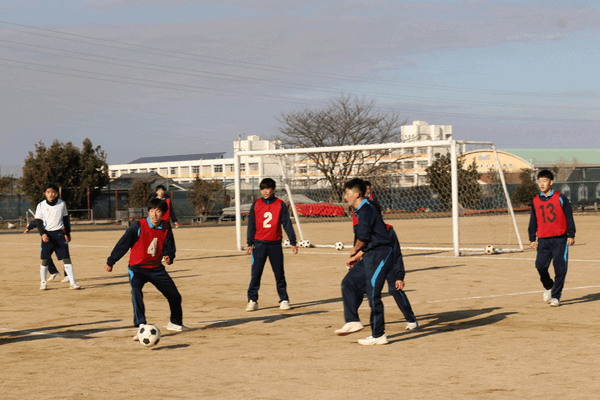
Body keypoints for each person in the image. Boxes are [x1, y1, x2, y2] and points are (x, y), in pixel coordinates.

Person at [104, 198, 185, 339]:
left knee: (175, 296)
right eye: (152, 211)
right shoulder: (138, 226)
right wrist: (111, 261)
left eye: (158, 211)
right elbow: (123, 244)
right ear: (148, 212)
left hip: (156, 269)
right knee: (136, 291)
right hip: (137, 268)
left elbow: (169, 247)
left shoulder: (166, 227)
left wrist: (168, 256)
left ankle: (175, 322)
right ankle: (140, 325)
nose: (154, 215)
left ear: (163, 213)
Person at [336, 224, 418, 336]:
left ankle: (411, 319)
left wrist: (399, 276)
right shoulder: (361, 229)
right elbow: (362, 249)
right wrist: (355, 259)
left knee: (394, 289)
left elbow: (396, 253)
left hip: (388, 263)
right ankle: (352, 321)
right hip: (372, 263)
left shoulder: (387, 230)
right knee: (357, 286)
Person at [344, 178, 396, 345]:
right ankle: (352, 320)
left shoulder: (367, 209)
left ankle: (378, 335)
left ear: (356, 194)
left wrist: (355, 249)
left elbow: (364, 237)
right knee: (349, 281)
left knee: (373, 293)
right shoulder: (361, 210)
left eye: (347, 193)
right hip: (370, 253)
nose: (345, 197)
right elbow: (371, 238)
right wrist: (359, 255)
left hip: (382, 254)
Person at [246, 178, 298, 311]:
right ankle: (252, 300)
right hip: (259, 245)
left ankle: (284, 300)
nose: (265, 191)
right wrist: (249, 243)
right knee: (256, 274)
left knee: (279, 274)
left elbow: (287, 224)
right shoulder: (256, 204)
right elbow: (251, 224)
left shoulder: (280, 205)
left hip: (275, 245)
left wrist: (293, 242)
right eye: (262, 189)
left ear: (273, 189)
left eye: (268, 189)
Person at [528, 169, 576, 307]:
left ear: (551, 182)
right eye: (540, 181)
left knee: (560, 269)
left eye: (545, 181)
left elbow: (569, 217)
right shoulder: (535, 200)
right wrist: (532, 238)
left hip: (559, 239)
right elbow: (533, 220)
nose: (542, 184)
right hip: (543, 239)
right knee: (540, 266)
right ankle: (549, 286)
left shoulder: (561, 197)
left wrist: (571, 234)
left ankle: (556, 296)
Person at [34, 183, 81, 290]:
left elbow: (66, 219)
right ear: (44, 193)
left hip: (59, 234)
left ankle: (72, 282)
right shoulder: (40, 205)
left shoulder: (62, 204)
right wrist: (42, 234)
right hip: (47, 234)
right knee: (45, 259)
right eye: (48, 192)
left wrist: (67, 233)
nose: (51, 194)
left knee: (66, 258)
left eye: (53, 192)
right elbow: (39, 222)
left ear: (56, 193)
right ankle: (43, 282)